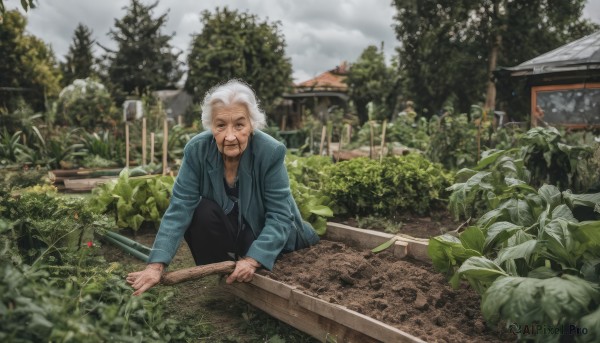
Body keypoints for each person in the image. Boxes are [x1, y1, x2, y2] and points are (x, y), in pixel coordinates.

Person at [126, 80, 320, 295]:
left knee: (256, 245)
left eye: (239, 125)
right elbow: (179, 208)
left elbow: (280, 215)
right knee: (201, 211)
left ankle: (253, 266)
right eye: (220, 125)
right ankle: (225, 278)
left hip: (265, 232)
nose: (230, 136)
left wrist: (253, 259)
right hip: (236, 230)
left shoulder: (270, 152)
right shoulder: (197, 150)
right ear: (211, 126)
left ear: (252, 125)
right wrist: (156, 266)